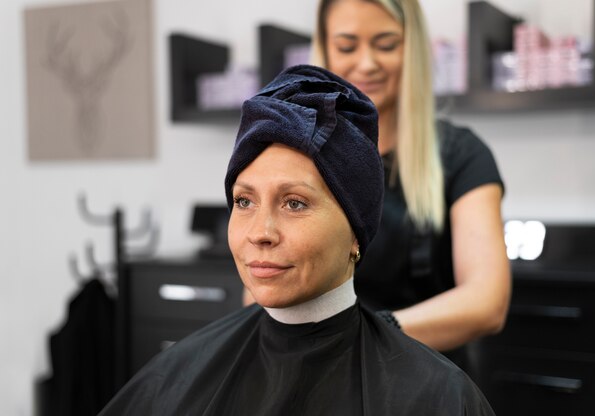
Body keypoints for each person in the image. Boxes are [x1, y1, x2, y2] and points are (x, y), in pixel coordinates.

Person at [98, 65, 495, 415]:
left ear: (356, 233)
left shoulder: (438, 397)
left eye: (294, 203)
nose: (260, 233)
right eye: (244, 200)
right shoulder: (175, 377)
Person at [306, 0, 512, 371]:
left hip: (426, 378)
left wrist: (364, 336)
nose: (367, 63)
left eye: (386, 44)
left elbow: (487, 301)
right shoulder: (301, 155)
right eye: (347, 46)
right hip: (322, 375)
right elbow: (257, 294)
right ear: (324, 50)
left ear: (412, 48)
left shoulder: (462, 154)